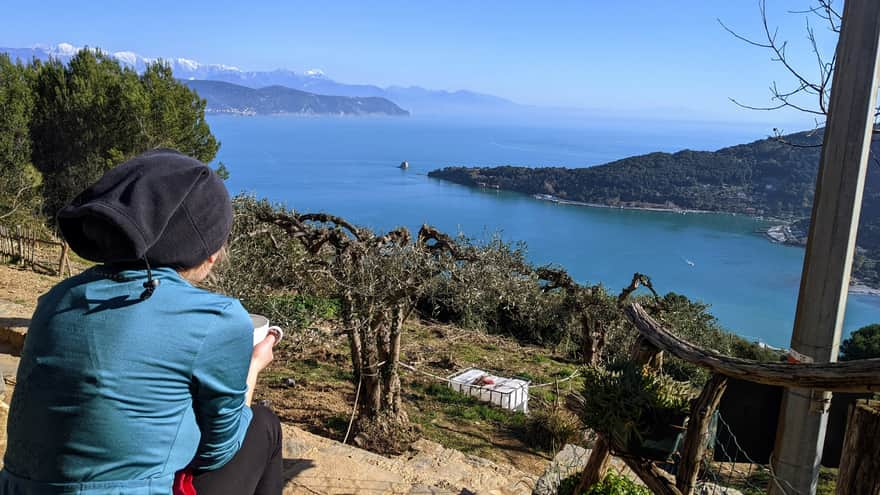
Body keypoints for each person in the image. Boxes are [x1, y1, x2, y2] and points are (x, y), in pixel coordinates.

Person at [0, 149, 283, 495]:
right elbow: (218, 452)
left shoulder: (55, 300)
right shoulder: (216, 318)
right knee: (263, 425)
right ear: (208, 251)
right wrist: (251, 367)